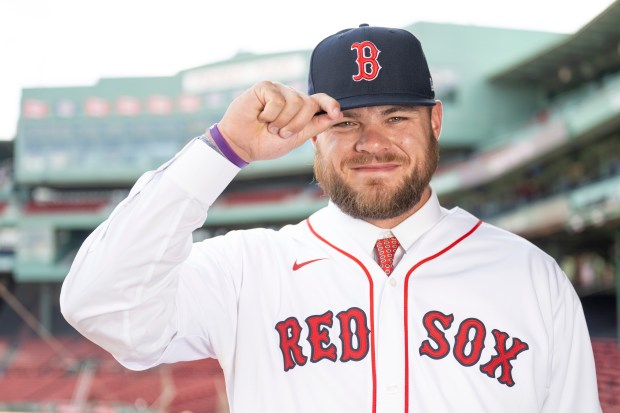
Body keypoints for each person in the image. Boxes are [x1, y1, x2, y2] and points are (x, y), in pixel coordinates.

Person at [60, 25, 602, 413]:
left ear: (435, 121)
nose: (372, 143)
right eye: (344, 123)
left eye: (396, 117)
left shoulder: (532, 278)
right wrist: (222, 150)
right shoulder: (245, 269)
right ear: (312, 134)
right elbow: (102, 305)